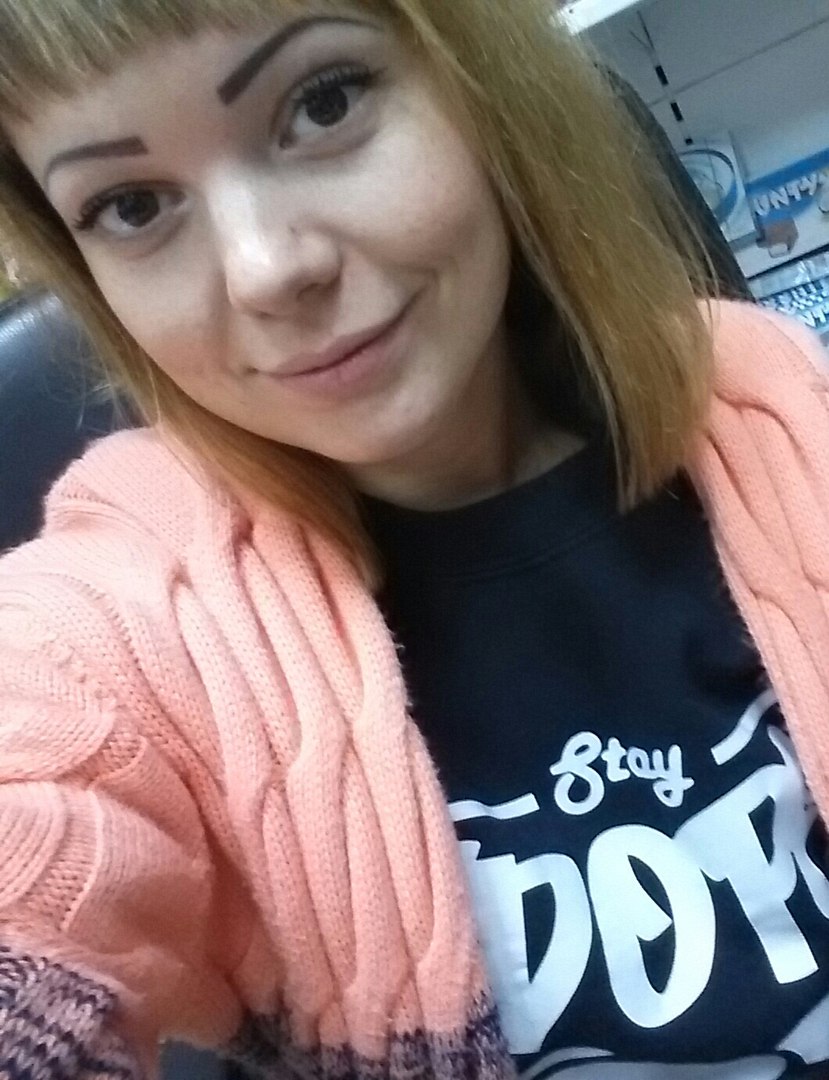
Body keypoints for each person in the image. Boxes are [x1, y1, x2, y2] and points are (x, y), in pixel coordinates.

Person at [0, 3, 827, 1079]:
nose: (265, 268)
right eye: (132, 205)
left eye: (323, 102)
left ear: (480, 86)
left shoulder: (780, 406)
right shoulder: (129, 612)